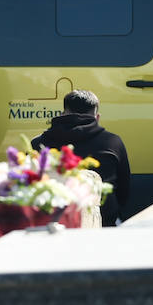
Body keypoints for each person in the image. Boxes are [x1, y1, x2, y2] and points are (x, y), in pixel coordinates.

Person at [31, 89, 131, 225]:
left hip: (51, 224)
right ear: (97, 118)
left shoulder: (38, 144)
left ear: (62, 114)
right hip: (103, 223)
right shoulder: (113, 142)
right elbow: (123, 191)